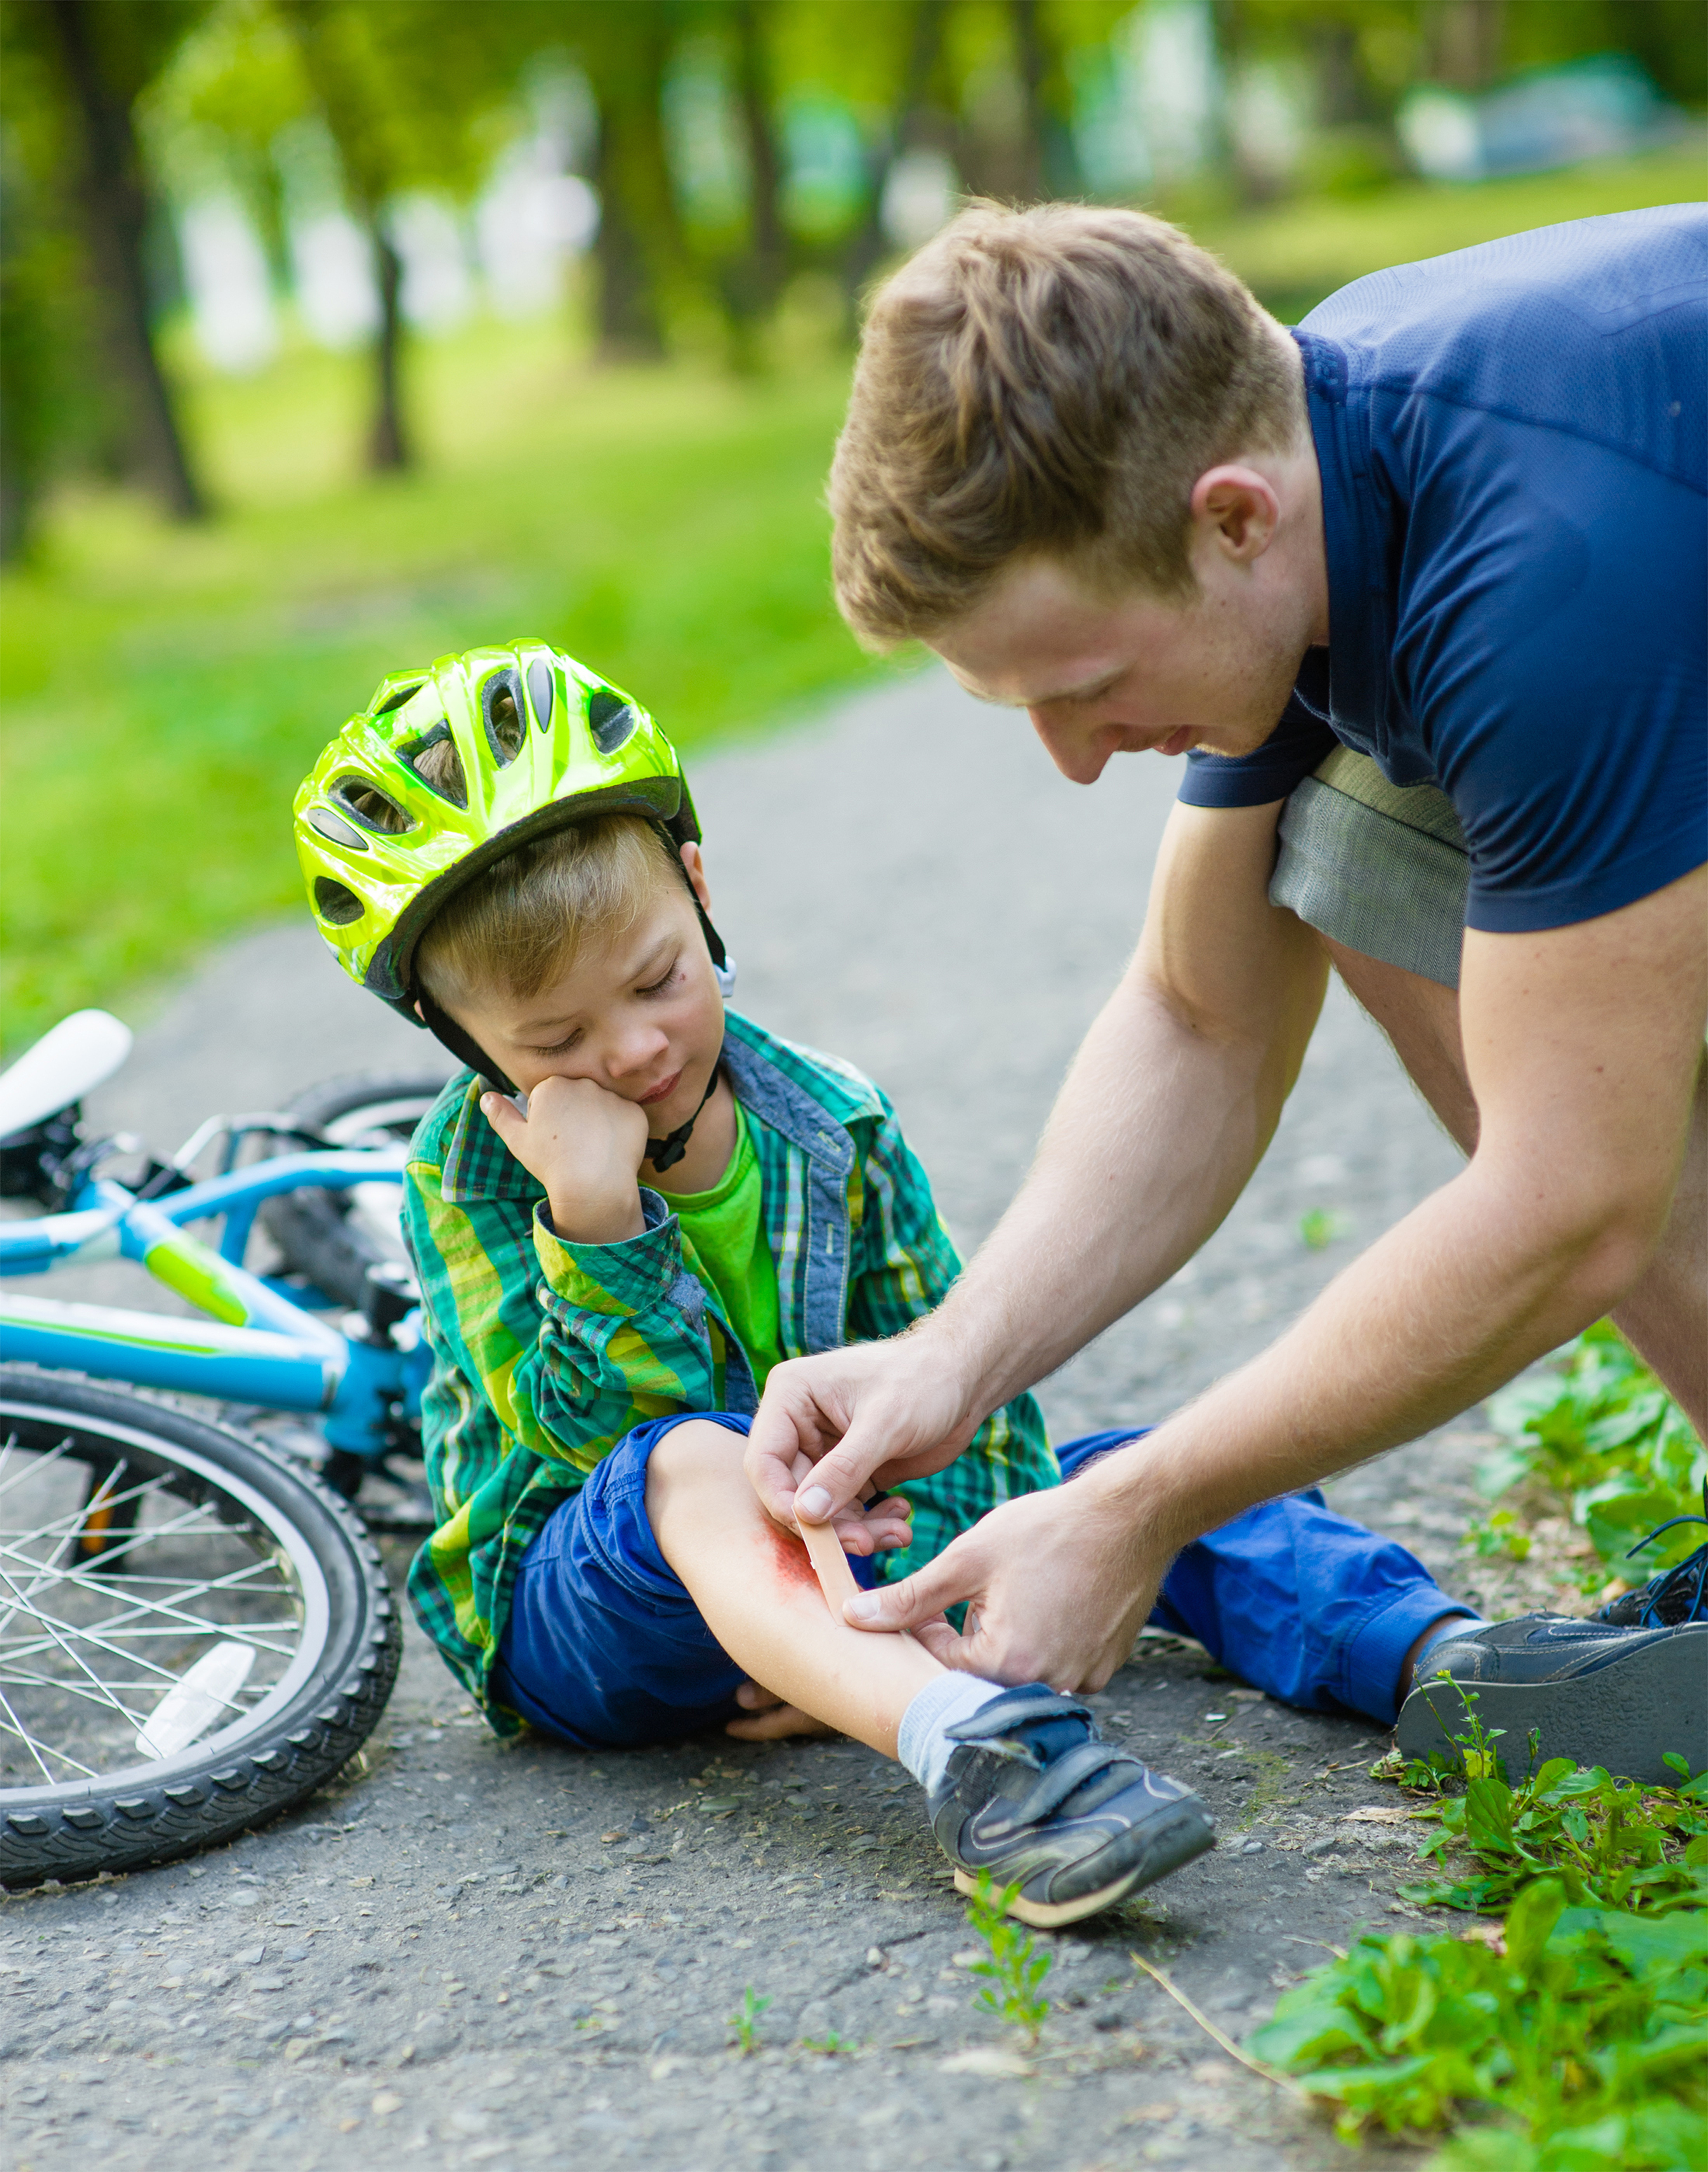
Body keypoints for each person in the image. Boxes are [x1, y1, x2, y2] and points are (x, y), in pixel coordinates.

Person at [744, 202, 1708, 1778]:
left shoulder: (1540, 573)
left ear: (1231, 520)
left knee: (1490, 1013)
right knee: (1343, 843)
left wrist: (1137, 1504)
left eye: (1086, 688)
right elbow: (1198, 1016)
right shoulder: (1316, 476)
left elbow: (1568, 1202)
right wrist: (954, 1355)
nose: (1071, 763)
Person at [294, 638, 1232, 1926]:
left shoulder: (834, 1121)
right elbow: (590, 1445)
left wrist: (907, 1604)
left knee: (1134, 1482)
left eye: (658, 980)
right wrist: (599, 1215)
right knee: (688, 1459)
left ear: (699, 888)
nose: (631, 1050)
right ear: (460, 1045)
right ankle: (980, 1750)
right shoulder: (466, 1184)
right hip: (589, 1609)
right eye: (556, 1041)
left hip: (856, 1564)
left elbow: (955, 1381)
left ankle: (1430, 1656)